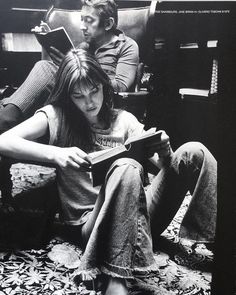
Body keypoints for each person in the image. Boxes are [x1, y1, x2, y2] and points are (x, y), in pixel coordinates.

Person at [0, 49, 217, 293]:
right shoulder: (57, 116)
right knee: (125, 166)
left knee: (194, 151)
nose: (89, 102)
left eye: (94, 90)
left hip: (138, 221)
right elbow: (4, 140)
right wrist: (56, 154)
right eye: (78, 95)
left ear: (104, 86)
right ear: (68, 96)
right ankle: (116, 278)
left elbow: (164, 167)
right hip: (90, 225)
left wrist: (166, 151)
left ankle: (214, 241)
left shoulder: (124, 119)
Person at [0, 0, 139, 133]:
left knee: (44, 68)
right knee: (44, 67)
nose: (82, 26)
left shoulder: (126, 46)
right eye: (82, 19)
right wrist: (48, 43)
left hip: (97, 101)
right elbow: (50, 80)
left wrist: (74, 69)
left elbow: (121, 86)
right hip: (72, 97)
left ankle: (6, 118)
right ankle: (7, 116)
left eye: (89, 20)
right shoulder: (84, 47)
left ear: (108, 24)